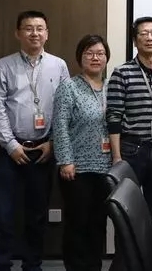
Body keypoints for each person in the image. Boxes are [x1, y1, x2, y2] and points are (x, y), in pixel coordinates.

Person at [0, 10, 70, 271]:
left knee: (37, 214)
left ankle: (32, 265)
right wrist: (11, 145)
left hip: (43, 150)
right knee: (4, 213)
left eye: (39, 28)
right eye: (28, 28)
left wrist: (53, 142)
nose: (35, 33)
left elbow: (65, 108)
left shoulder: (59, 65)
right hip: (9, 151)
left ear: (47, 33)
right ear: (18, 33)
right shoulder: (4, 66)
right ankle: (1, 265)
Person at [106, 16, 152, 222]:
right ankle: (126, 247)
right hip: (132, 150)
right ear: (134, 40)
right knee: (127, 210)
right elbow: (114, 117)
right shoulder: (122, 73)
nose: (149, 38)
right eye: (144, 33)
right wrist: (117, 157)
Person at [53, 34, 112, 271]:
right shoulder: (69, 87)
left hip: (105, 168)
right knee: (78, 223)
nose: (95, 58)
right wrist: (65, 160)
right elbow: (59, 126)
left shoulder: (111, 87)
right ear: (80, 57)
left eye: (100, 53)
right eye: (90, 53)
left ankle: (94, 266)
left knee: (98, 222)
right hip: (77, 168)